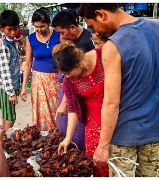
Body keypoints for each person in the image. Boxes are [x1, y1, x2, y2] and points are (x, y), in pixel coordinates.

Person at [79, 3, 159, 177]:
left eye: (93, 26)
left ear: (101, 14)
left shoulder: (113, 46)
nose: (96, 32)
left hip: (124, 136)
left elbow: (111, 102)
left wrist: (103, 146)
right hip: (154, 130)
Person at [54, 41, 108, 177]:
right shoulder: (69, 81)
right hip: (94, 123)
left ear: (78, 63)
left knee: (119, 162)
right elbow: (72, 109)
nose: (66, 77)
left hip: (119, 118)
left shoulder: (103, 56)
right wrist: (68, 138)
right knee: (97, 163)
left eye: (67, 72)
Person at [51, 10, 95, 151]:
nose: (61, 37)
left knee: (81, 129)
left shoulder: (89, 43)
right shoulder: (71, 43)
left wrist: (65, 103)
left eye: (62, 32)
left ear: (72, 27)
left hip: (88, 97)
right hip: (73, 94)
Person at [20, 8, 60, 131]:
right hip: (38, 81)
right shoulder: (31, 39)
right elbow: (28, 63)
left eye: (42, 26)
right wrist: (23, 87)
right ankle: (44, 138)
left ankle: (58, 136)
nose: (39, 29)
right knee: (41, 111)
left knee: (57, 110)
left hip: (56, 81)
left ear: (49, 23)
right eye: (36, 26)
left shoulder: (58, 36)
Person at [0, 10, 20, 132]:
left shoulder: (12, 42)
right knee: (10, 117)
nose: (13, 32)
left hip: (9, 86)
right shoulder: (3, 46)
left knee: (6, 116)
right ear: (2, 28)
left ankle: (0, 141)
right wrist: (11, 93)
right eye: (9, 29)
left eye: (15, 29)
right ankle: (2, 142)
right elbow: (5, 72)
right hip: (6, 88)